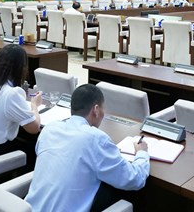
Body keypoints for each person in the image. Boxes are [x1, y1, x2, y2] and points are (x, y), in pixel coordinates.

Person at [26, 84, 150, 212]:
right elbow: (135, 179)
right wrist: (142, 153)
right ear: (96, 110)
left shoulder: (49, 129)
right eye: (103, 109)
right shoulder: (96, 139)